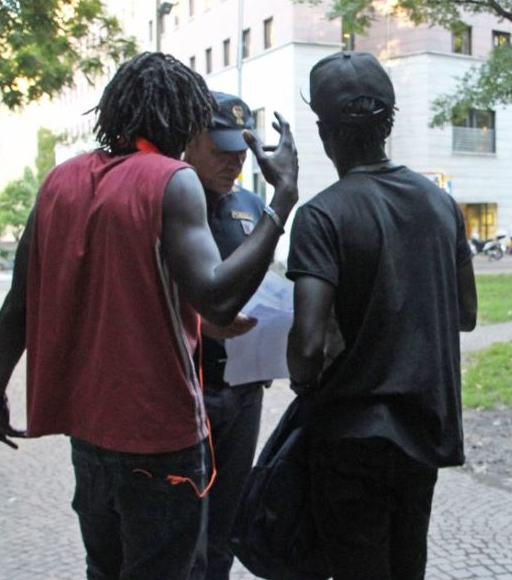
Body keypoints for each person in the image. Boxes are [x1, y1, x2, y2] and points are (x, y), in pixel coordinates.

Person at [0, 52, 298, 580]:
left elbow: (18, 307)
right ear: (181, 118)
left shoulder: (59, 181)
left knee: (104, 570)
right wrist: (282, 203)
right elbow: (217, 298)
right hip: (160, 439)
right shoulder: (172, 179)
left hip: (88, 434)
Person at [285, 51, 477, 580]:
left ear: (324, 133)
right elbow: (465, 314)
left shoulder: (321, 216)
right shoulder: (441, 205)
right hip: (423, 432)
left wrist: (306, 379)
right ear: (388, 123)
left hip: (349, 437)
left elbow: (306, 349)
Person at [183, 91, 271, 580]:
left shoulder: (252, 206)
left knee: (226, 523)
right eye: (220, 149)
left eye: (241, 151)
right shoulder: (170, 201)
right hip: (188, 389)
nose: (234, 162)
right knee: (182, 526)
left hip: (244, 390)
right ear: (190, 141)